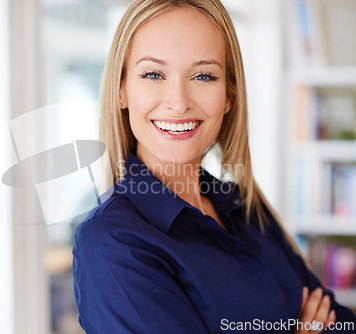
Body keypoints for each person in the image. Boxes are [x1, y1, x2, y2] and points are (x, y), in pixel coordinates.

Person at [72, 0, 356, 333]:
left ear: (228, 96)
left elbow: (341, 322)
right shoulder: (112, 242)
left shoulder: (244, 206)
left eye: (204, 76)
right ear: (122, 90)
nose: (179, 102)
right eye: (153, 74)